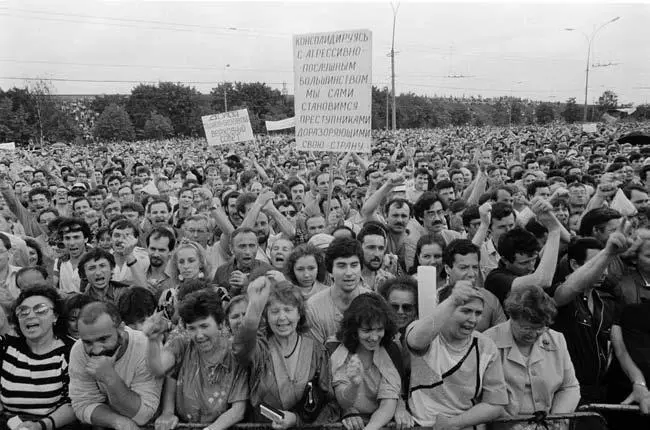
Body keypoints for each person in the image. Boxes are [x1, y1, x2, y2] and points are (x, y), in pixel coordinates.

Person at [233, 272, 337, 427]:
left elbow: (330, 405)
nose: (282, 317)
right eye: (274, 312)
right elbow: (241, 350)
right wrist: (254, 308)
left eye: (288, 310)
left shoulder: (317, 351)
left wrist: (296, 419)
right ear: (266, 316)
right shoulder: (260, 347)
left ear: (299, 314)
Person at [406, 283, 508, 429]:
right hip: (421, 425)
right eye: (466, 311)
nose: (473, 319)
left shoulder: (486, 346)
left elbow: (496, 404)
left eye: (478, 313)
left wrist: (452, 424)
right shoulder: (426, 332)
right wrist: (453, 300)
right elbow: (416, 341)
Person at [145, 289, 248, 429]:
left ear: (220, 324)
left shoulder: (235, 354)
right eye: (192, 328)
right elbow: (158, 369)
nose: (199, 335)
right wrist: (152, 340)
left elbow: (238, 411)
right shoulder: (182, 343)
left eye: (204, 326)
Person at [485, 285, 580, 428]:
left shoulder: (557, 340)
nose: (534, 334)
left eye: (540, 327)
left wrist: (556, 419)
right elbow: (480, 396)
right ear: (512, 317)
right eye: (527, 328)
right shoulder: (487, 342)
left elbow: (569, 387)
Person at [69, 301, 163, 430]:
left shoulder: (146, 347)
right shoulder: (78, 350)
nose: (96, 350)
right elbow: (82, 405)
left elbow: (144, 415)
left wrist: (110, 378)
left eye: (103, 339)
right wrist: (118, 422)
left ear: (121, 329)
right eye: (88, 342)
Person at [0, 285, 77, 428]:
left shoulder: (71, 352)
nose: (30, 315)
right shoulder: (6, 347)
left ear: (55, 316)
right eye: (23, 311)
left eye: (40, 309)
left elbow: (74, 403)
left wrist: (41, 425)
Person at [331, 293, 401, 430]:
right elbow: (343, 401)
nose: (374, 337)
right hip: (345, 423)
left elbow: (388, 403)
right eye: (367, 330)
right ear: (354, 330)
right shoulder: (337, 351)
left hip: (379, 423)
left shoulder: (390, 351)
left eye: (379, 329)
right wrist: (354, 385)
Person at [306, 237, 371, 350]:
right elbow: (315, 356)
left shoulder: (373, 302)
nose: (349, 273)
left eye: (354, 265)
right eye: (341, 266)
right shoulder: (313, 307)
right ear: (330, 271)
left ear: (361, 268)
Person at [437, 239, 506, 332]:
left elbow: (501, 335)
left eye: (475, 267)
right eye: (463, 268)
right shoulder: (435, 300)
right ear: (447, 269)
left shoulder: (490, 300)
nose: (471, 273)